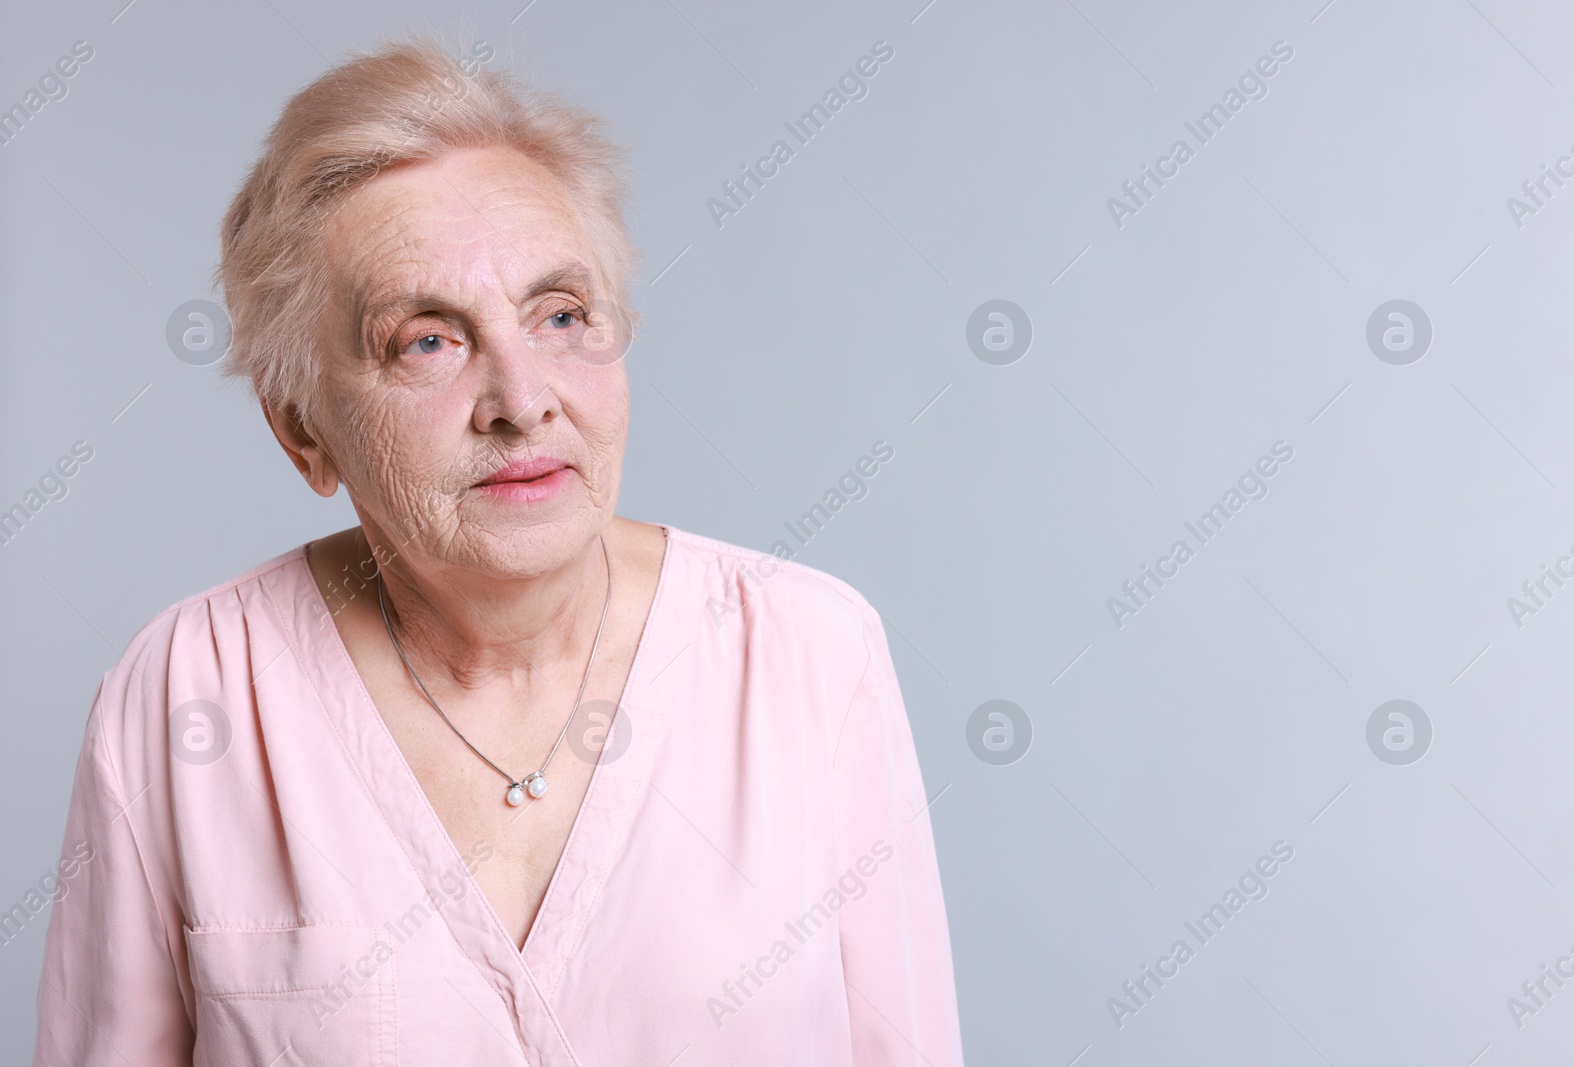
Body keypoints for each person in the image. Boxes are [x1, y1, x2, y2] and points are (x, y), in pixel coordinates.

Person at [31, 36, 962, 1066]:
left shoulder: (806, 651)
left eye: (560, 315)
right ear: (301, 426)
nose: (524, 402)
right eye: (427, 339)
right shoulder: (186, 691)